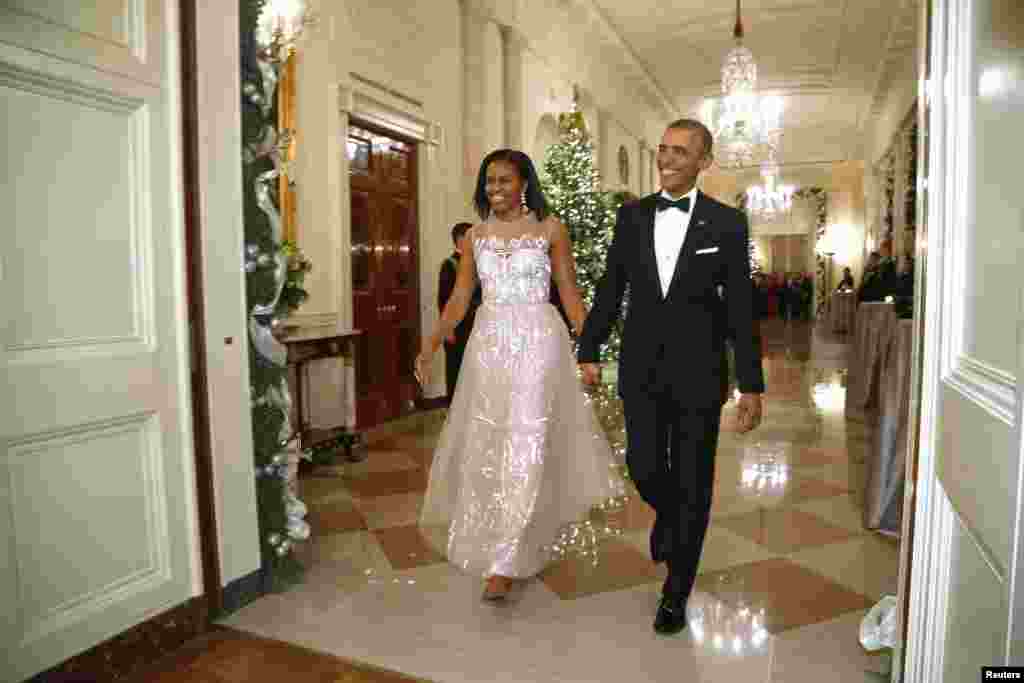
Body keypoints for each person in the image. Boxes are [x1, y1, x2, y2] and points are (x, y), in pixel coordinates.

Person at [578, 119, 764, 635]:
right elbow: (612, 287)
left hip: (700, 373)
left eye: (680, 152)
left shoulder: (727, 224)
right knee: (642, 464)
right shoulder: (632, 217)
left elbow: (740, 311)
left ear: (704, 161)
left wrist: (751, 382)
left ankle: (676, 591)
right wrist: (589, 345)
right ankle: (671, 516)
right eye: (663, 149)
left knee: (694, 479)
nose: (666, 158)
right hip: (640, 368)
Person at [415, 149, 624, 602]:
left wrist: (588, 350)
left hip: (538, 342)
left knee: (527, 440)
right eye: (489, 181)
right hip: (489, 345)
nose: (495, 189)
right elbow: (459, 298)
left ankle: (506, 560)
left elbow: (569, 292)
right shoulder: (475, 237)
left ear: (524, 182)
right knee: (489, 441)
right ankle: (493, 537)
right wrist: (430, 343)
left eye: (505, 180)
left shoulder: (551, 230)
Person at [437, 222, 481, 402]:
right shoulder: (450, 265)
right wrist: (448, 329)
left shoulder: (477, 263)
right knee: (456, 370)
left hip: (477, 326)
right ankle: (454, 409)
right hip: (458, 328)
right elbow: (444, 300)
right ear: (461, 239)